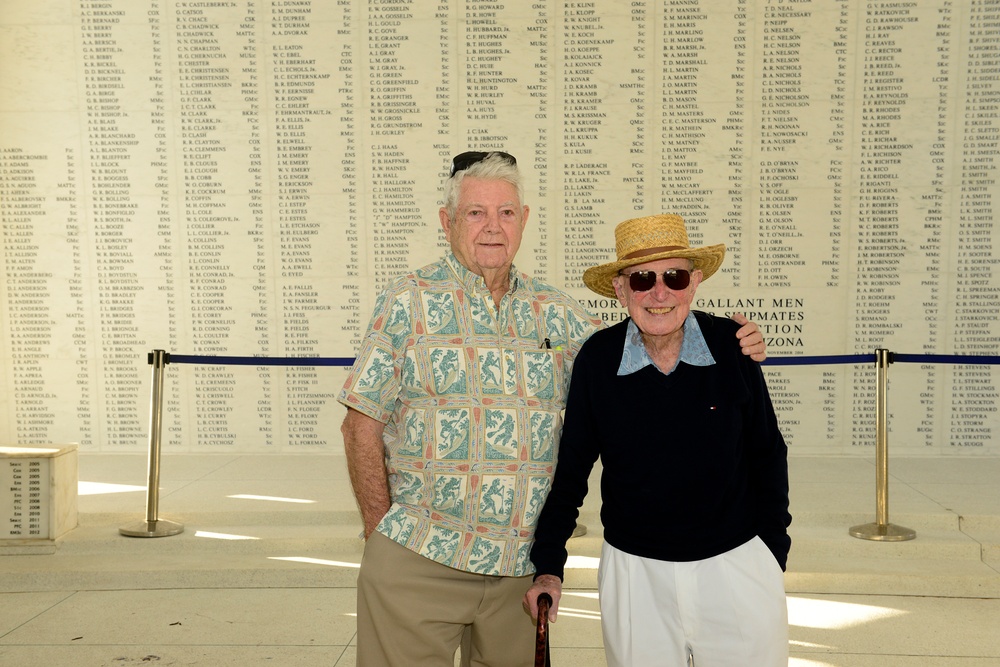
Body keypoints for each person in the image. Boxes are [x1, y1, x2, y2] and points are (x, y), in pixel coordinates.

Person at [338, 154, 769, 666]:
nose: (493, 227)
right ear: (446, 221)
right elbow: (361, 421)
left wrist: (728, 340)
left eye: (505, 212)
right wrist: (380, 533)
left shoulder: (559, 314)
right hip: (419, 557)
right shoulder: (406, 301)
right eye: (476, 213)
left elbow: (650, 334)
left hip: (519, 576)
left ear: (524, 219)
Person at [524, 213, 792, 667]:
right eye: (643, 279)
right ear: (621, 289)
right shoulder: (598, 359)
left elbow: (768, 452)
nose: (660, 292)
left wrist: (770, 555)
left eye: (675, 276)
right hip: (635, 575)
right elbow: (571, 470)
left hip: (736, 566)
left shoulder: (732, 346)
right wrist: (549, 564)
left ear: (695, 282)